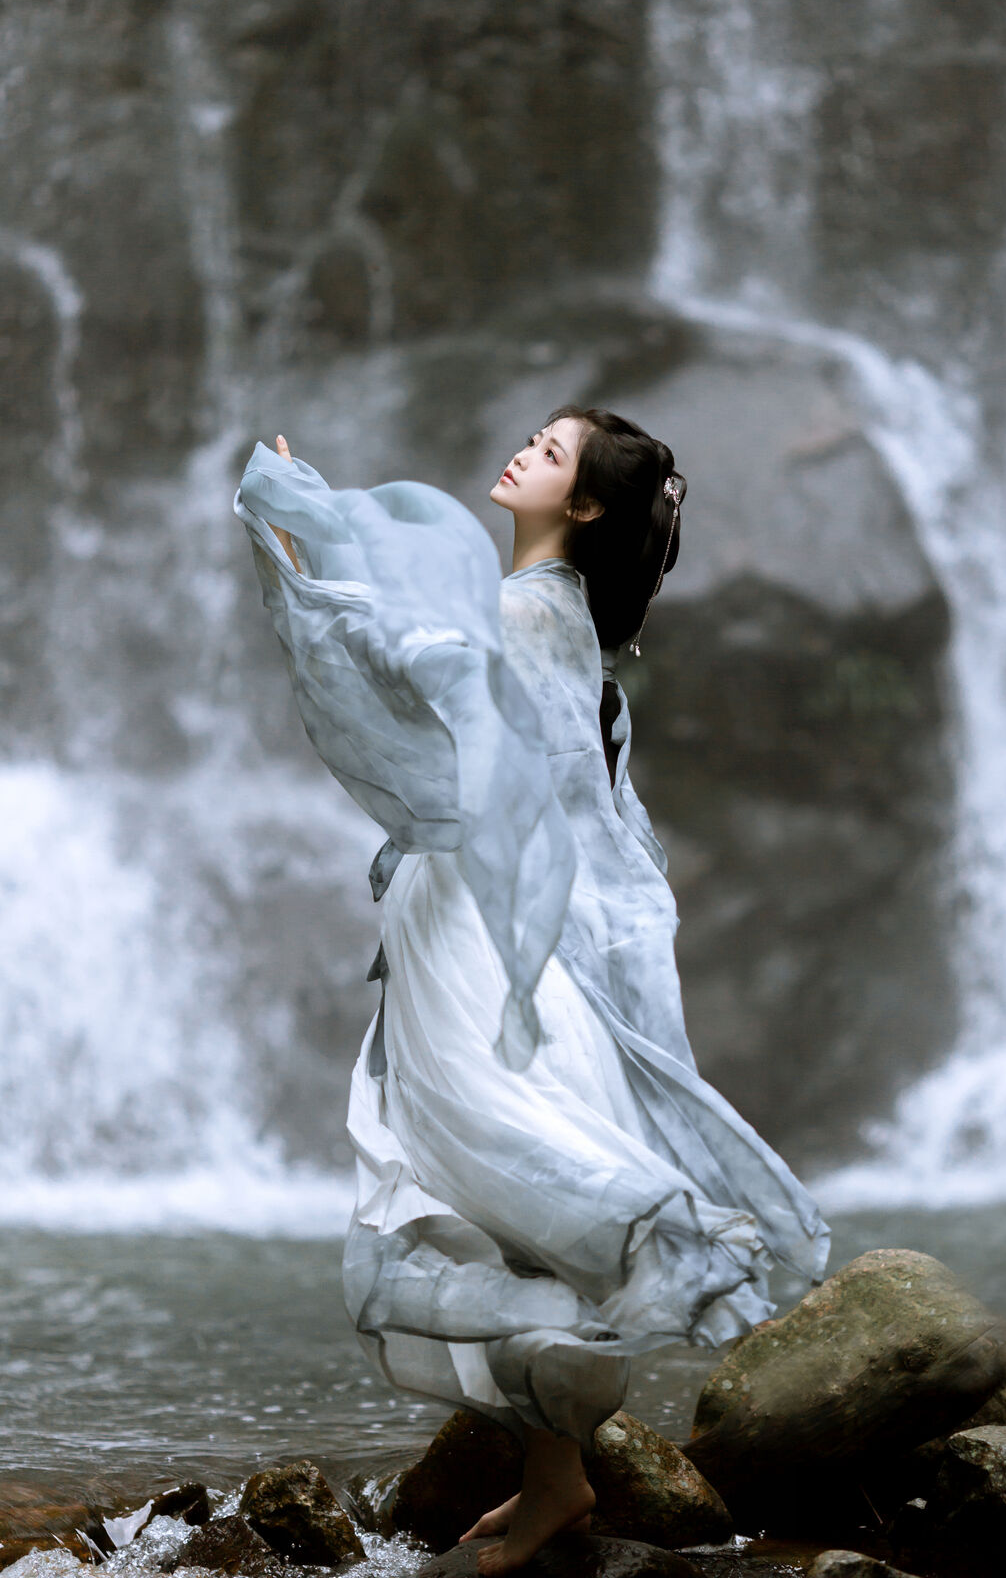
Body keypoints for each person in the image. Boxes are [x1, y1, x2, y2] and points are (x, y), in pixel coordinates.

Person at [234, 409, 829, 1574]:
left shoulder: (527, 618)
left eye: (552, 455)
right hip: (479, 929)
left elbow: (395, 668)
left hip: (481, 940)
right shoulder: (550, 622)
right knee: (504, 1188)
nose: (523, 453)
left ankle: (570, 1461)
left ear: (587, 506)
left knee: (512, 1169)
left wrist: (306, 539)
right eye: (537, 439)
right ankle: (555, 1474)